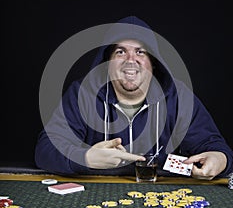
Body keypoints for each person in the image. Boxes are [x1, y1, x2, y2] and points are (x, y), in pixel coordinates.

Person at [35, 16, 233, 179]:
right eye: (121, 52)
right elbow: (46, 149)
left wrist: (220, 159)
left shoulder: (178, 97)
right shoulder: (83, 93)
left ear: (153, 63)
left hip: (160, 193)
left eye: (140, 52)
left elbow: (214, 146)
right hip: (98, 191)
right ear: (107, 62)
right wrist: (84, 157)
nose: (131, 60)